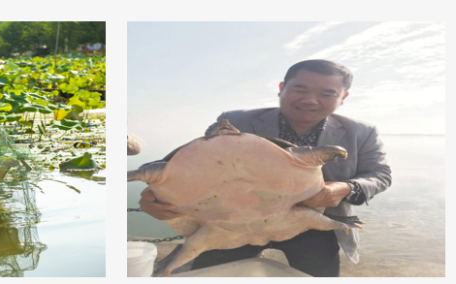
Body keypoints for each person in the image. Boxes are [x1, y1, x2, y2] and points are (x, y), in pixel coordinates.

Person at [138, 59, 392, 277]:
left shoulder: (362, 132)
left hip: (310, 222)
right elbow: (192, 166)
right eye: (299, 89)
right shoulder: (236, 120)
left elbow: (380, 175)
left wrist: (344, 188)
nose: (311, 100)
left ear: (343, 97)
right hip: (230, 219)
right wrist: (155, 196)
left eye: (327, 93)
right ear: (282, 88)